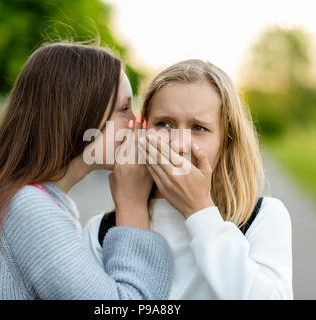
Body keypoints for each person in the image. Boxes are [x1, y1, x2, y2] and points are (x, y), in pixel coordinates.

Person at [0, 43, 173, 299]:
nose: (136, 120)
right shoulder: (28, 208)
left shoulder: (25, 198)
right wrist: (132, 203)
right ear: (78, 112)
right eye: (123, 108)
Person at [83, 59, 293, 299]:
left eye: (198, 128)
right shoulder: (101, 231)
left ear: (226, 142)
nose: (178, 144)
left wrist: (199, 210)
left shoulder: (262, 217)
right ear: (142, 131)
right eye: (164, 124)